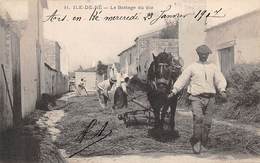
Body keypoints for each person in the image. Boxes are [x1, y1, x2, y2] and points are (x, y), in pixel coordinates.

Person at [168, 44, 227, 154]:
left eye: (206, 54)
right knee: (198, 118)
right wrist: (174, 91)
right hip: (196, 97)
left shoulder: (213, 66)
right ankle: (197, 141)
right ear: (198, 54)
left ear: (208, 55)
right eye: (202, 54)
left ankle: (204, 143)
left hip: (210, 98)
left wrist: (222, 90)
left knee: (208, 122)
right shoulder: (192, 67)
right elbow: (182, 79)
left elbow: (219, 79)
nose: (204, 56)